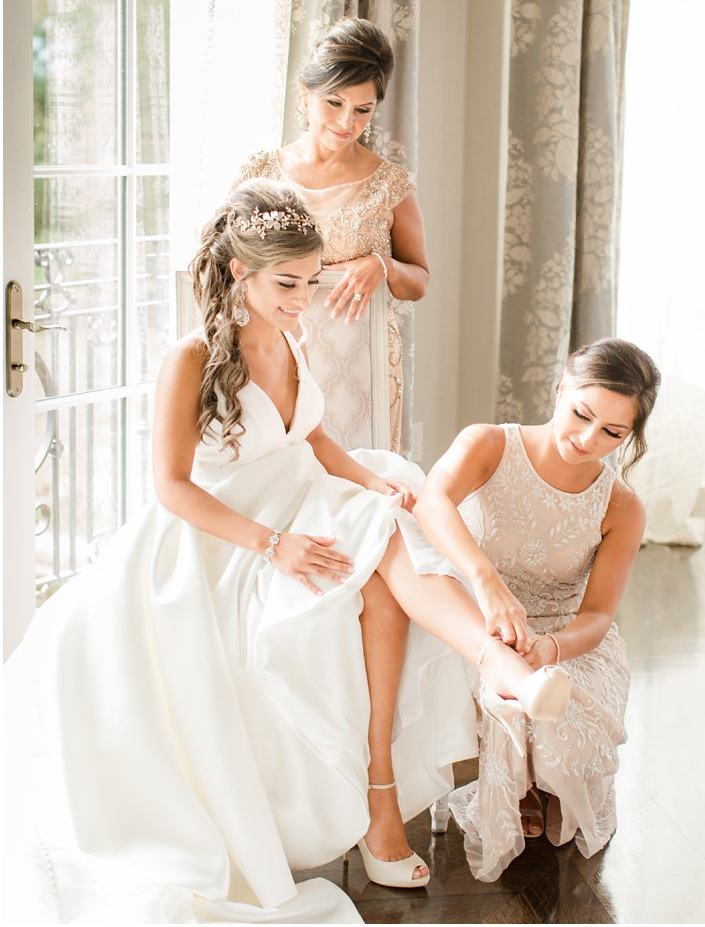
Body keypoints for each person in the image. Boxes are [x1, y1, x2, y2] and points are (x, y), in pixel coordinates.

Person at [1, 182, 570, 923]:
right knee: (375, 554)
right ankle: (422, 756)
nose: (305, 299)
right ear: (240, 271)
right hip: (224, 529)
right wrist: (274, 546)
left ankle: (497, 678)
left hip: (300, 493)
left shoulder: (291, 335)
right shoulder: (193, 356)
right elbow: (172, 487)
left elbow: (312, 438)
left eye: (310, 281)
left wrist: (370, 478)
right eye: (289, 284)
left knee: (387, 518)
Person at [400, 339, 659, 880]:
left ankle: (540, 780)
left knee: (565, 726)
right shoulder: (489, 444)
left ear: (631, 436)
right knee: (508, 691)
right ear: (560, 389)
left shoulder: (623, 507)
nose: (588, 440)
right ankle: (518, 776)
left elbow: (598, 615)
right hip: (476, 616)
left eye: (613, 433)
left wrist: (551, 648)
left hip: (564, 635)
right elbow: (432, 501)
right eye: (581, 415)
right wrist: (485, 578)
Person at [235, 18, 426, 453]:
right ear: (305, 94)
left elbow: (419, 281)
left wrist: (383, 264)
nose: (346, 122)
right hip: (270, 355)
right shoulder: (260, 172)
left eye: (363, 110)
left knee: (360, 488)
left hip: (362, 361)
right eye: (334, 103)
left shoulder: (390, 183)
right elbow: (225, 265)